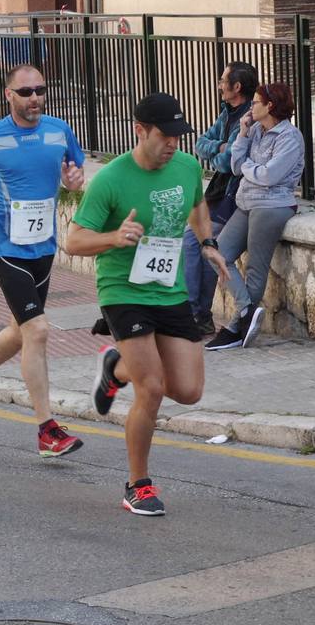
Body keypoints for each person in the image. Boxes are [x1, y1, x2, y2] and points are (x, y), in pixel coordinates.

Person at [65, 93, 228, 517]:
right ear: (140, 130)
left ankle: (115, 366)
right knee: (152, 388)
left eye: (178, 134)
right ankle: (138, 485)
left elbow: (196, 204)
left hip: (169, 289)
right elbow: (75, 239)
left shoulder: (187, 166)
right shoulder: (112, 180)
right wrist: (114, 238)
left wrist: (206, 242)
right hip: (123, 290)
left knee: (189, 391)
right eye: (164, 135)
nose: (173, 143)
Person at [0, 64, 88, 457]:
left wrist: (74, 182)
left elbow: (73, 174)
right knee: (39, 330)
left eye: (40, 91)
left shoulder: (59, 130)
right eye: (25, 92)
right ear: (8, 95)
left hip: (43, 246)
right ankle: (47, 429)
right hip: (4, 245)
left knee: (21, 329)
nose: (34, 99)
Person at [207, 82, 306, 351]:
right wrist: (242, 134)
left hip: (273, 206)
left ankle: (234, 329)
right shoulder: (256, 131)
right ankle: (247, 309)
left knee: (255, 268)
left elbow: (269, 176)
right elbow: (236, 166)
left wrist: (252, 168)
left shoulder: (290, 137)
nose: (251, 107)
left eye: (256, 102)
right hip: (247, 202)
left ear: (270, 105)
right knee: (216, 252)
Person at [183, 63, 256, 335]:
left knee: (194, 242)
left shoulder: (248, 117)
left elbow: (227, 163)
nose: (218, 84)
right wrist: (218, 147)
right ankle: (198, 314)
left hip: (232, 196)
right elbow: (199, 143)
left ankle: (194, 313)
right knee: (197, 243)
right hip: (217, 193)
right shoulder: (226, 114)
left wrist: (218, 152)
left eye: (222, 79)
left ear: (236, 87)